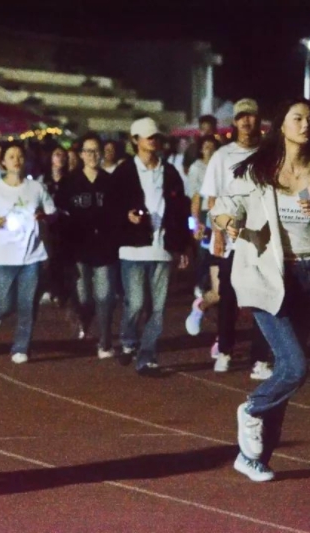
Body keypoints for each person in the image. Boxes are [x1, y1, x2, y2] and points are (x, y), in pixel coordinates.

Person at [212, 98, 310, 481]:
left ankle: (254, 458)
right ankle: (252, 407)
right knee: (295, 367)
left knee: (285, 372)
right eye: (298, 118)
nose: (306, 124)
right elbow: (225, 206)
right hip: (265, 275)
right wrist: (229, 222)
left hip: (306, 277)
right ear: (281, 125)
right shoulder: (258, 169)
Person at [192, 98, 271, 376]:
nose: (247, 121)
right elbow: (212, 199)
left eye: (251, 116)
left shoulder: (268, 154)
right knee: (228, 298)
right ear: (234, 122)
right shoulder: (222, 156)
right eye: (241, 117)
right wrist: (217, 234)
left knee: (263, 299)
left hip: (263, 241)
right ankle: (224, 350)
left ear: (259, 120)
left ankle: (260, 359)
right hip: (231, 239)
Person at [113, 117, 191, 376]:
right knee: (135, 303)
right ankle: (128, 340)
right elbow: (111, 208)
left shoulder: (169, 172)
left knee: (158, 308)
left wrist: (183, 246)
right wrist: (126, 216)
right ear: (135, 140)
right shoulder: (124, 171)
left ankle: (147, 356)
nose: (153, 141)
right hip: (133, 248)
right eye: (148, 137)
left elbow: (181, 211)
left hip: (163, 248)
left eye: (156, 136)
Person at [0, 142, 56, 364]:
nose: (16, 160)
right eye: (11, 156)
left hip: (31, 255)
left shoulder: (36, 188)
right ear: (3, 161)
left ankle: (21, 347)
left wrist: (44, 216)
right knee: (3, 303)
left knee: (27, 303)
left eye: (20, 156)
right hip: (2, 256)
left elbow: (52, 212)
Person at [56, 132, 119, 358]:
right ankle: (82, 317)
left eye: (96, 151)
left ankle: (105, 342)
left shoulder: (110, 182)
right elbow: (60, 215)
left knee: (106, 296)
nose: (92, 155)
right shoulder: (69, 183)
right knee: (84, 298)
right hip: (79, 249)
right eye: (88, 151)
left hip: (105, 248)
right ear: (81, 154)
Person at [185, 135, 220, 313]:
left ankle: (213, 285)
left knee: (216, 252)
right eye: (206, 147)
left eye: (212, 147)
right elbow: (194, 198)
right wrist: (194, 224)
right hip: (204, 213)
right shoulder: (196, 168)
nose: (209, 150)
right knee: (203, 252)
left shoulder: (220, 165)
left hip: (219, 213)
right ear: (200, 149)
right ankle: (200, 284)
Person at [39, 145, 70, 305]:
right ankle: (50, 288)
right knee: (49, 256)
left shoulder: (70, 179)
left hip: (65, 223)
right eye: (57, 154)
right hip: (48, 223)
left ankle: (61, 290)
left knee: (62, 256)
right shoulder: (43, 180)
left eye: (63, 155)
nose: (61, 158)